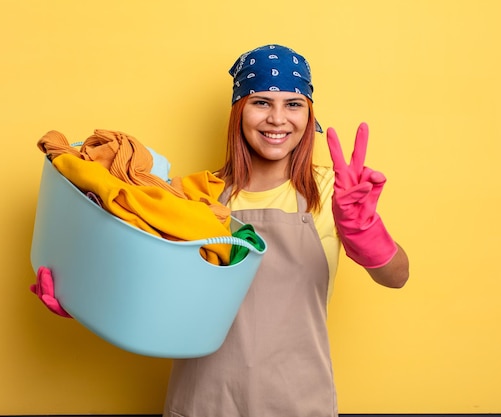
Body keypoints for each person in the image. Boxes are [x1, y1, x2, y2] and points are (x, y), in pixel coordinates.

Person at [162, 44, 409, 417]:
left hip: (299, 402)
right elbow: (157, 293)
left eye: (293, 104)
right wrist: (77, 294)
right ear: (238, 111)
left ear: (309, 115)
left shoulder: (333, 191)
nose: (277, 119)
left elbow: (397, 277)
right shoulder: (198, 193)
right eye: (261, 102)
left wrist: (365, 231)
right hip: (204, 402)